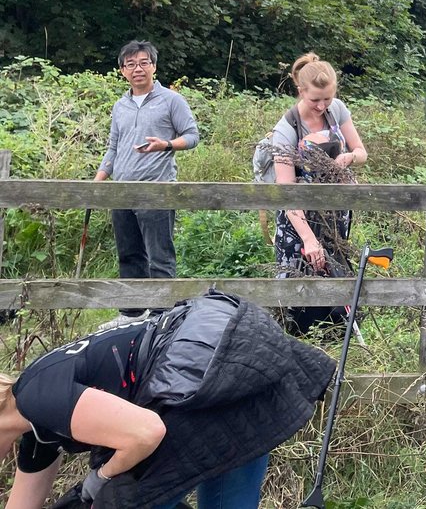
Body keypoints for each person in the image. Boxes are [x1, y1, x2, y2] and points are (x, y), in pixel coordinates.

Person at [0, 293, 335, 509]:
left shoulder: (37, 398)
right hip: (228, 359)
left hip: (215, 371)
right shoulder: (37, 427)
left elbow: (146, 433)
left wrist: (98, 479)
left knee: (118, 498)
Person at [95, 40, 199, 327]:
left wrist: (165, 144)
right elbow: (113, 148)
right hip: (122, 190)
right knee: (129, 254)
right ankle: (131, 314)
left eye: (143, 62)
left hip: (157, 189)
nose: (137, 69)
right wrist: (98, 182)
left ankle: (163, 317)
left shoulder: (171, 100)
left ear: (154, 66)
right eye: (131, 64)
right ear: (122, 71)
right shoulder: (120, 105)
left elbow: (192, 136)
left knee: (159, 255)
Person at [270, 54, 367, 333]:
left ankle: (336, 333)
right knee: (300, 272)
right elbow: (287, 191)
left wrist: (349, 158)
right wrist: (309, 239)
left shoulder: (337, 109)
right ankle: (296, 334)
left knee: (335, 264)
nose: (322, 106)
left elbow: (361, 151)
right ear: (301, 91)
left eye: (328, 98)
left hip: (335, 211)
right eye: (315, 100)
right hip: (298, 216)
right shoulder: (286, 129)